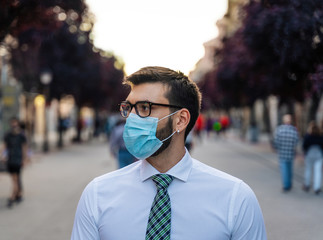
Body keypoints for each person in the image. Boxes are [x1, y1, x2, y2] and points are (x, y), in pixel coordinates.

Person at [71, 66, 267, 240]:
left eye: (144, 108)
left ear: (181, 120)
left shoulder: (235, 198)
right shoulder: (98, 194)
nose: (131, 118)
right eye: (129, 108)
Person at [2, 117, 28, 208]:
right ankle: (17, 194)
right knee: (15, 179)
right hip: (11, 159)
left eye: (15, 123)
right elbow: (4, 146)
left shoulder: (21, 135)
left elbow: (24, 148)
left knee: (16, 179)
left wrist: (24, 159)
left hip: (18, 159)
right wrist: (2, 156)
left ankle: (13, 197)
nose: (14, 125)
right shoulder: (8, 135)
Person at [273, 114, 299, 192]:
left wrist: (277, 148)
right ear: (290, 121)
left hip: (282, 153)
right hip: (290, 153)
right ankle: (289, 184)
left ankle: (286, 185)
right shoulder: (294, 130)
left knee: (284, 170)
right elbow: (296, 141)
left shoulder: (279, 129)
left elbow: (276, 141)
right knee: (290, 169)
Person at [302, 121, 323, 195]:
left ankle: (307, 185)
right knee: (318, 172)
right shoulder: (320, 136)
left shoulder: (308, 136)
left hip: (310, 155)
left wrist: (305, 152)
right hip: (318, 155)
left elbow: (304, 146)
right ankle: (317, 187)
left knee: (308, 170)